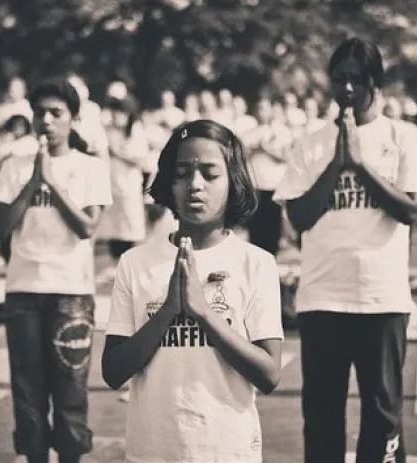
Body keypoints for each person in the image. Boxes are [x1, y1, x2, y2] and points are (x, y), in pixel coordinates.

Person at [273, 38, 417, 463]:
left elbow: (412, 211)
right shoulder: (310, 143)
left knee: (383, 415)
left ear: (373, 83)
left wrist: (361, 167)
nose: (345, 89)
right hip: (322, 297)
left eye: (355, 80)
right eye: (339, 79)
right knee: (323, 416)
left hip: (380, 298)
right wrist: (337, 165)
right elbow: (300, 218)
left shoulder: (403, 137)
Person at [102, 120, 283, 463]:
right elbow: (113, 371)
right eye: (182, 173)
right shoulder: (135, 262)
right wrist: (169, 310)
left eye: (210, 174)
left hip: (228, 451)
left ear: (234, 182)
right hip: (154, 451)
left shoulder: (255, 263)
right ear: (169, 183)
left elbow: (269, 373)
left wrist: (202, 312)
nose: (194, 185)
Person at [0, 78, 112, 463]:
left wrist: (53, 183)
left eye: (56, 113)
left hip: (71, 292)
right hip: (23, 288)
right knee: (27, 389)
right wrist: (33, 182)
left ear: (73, 119)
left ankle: (72, 456)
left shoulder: (91, 168)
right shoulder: (13, 166)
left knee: (70, 389)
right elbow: (0, 227)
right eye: (39, 113)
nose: (46, 120)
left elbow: (87, 227)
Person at [96, 96, 150, 279]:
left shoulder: (135, 130)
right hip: (112, 185)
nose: (117, 116)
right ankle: (114, 265)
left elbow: (140, 159)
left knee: (130, 227)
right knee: (113, 226)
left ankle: (130, 267)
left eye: (120, 112)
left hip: (129, 186)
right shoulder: (108, 131)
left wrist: (118, 153)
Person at [241, 97, 292, 257]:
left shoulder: (281, 131)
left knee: (272, 226)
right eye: (260, 108)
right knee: (256, 227)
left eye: (265, 108)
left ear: (271, 110)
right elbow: (241, 156)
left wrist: (266, 148)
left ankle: (272, 258)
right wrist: (253, 149)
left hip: (273, 185)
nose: (262, 112)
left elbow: (286, 156)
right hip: (255, 185)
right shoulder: (250, 133)